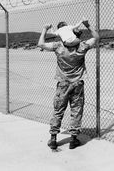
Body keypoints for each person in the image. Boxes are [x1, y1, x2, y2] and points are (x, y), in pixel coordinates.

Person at [37, 19, 99, 150]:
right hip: (77, 83)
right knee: (76, 110)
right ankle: (73, 138)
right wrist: (88, 25)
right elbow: (97, 37)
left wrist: (45, 29)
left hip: (63, 83)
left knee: (58, 110)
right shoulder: (81, 46)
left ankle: (53, 138)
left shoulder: (58, 46)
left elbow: (40, 44)